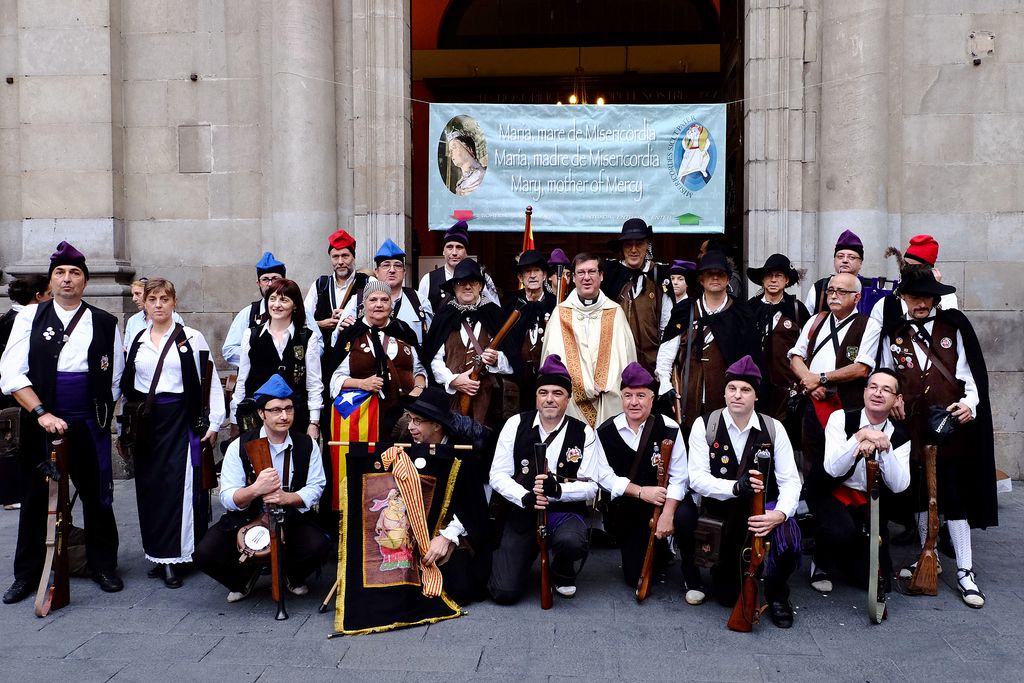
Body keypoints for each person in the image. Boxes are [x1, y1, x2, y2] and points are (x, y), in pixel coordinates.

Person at [0, 242, 125, 603]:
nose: (67, 279)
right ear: (51, 280)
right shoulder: (29, 318)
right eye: (60, 273)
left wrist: (99, 415)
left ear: (85, 281)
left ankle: (103, 565)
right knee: (37, 497)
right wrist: (42, 413)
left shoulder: (104, 322)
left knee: (97, 495)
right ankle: (27, 574)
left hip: (89, 422)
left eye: (75, 273)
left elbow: (114, 375)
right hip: (42, 420)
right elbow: (10, 374)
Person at [879, 268, 996, 608]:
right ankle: (925, 554)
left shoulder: (953, 327)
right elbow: (887, 373)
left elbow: (970, 374)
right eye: (913, 297)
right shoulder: (895, 334)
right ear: (904, 299)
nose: (919, 303)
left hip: (948, 425)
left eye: (925, 297)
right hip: (913, 426)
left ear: (934, 299)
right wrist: (894, 398)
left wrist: (969, 403)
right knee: (919, 494)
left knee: (954, 496)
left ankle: (964, 570)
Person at [674, 356, 802, 627]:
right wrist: (734, 487)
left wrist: (779, 514)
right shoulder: (705, 425)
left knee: (790, 537)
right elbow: (696, 479)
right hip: (720, 512)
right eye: (732, 388)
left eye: (745, 390)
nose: (737, 395)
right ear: (724, 391)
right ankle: (722, 573)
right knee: (726, 595)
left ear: (756, 395)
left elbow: (791, 481)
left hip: (760, 513)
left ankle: (778, 595)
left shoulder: (773, 428)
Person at [121, 278, 224, 588]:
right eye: (153, 299)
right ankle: (156, 553)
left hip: (180, 420)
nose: (158, 304)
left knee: (178, 489)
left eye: (164, 298)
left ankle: (176, 556)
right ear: (145, 304)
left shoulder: (191, 338)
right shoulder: (138, 340)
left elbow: (210, 381)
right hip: (147, 425)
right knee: (150, 489)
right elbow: (128, 388)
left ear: (174, 302)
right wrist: (124, 429)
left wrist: (215, 422)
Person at [193, 375, 329, 603]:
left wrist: (288, 497)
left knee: (320, 546)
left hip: (291, 515)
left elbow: (316, 486)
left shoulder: (306, 444)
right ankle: (243, 579)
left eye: (288, 409)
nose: (284, 416)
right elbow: (227, 496)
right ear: (261, 413)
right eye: (275, 410)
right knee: (204, 554)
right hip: (246, 516)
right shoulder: (240, 446)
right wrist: (255, 489)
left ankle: (291, 576)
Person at [488, 355, 599, 603]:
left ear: (567, 399)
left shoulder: (584, 432)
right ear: (536, 396)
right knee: (504, 593)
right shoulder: (515, 424)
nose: (549, 399)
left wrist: (557, 490)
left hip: (563, 511)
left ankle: (562, 568)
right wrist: (524, 496)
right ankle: (519, 557)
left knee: (572, 541)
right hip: (523, 508)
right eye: (543, 392)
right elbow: (497, 475)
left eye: (557, 393)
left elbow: (592, 487)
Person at [589, 362, 688, 587]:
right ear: (621, 398)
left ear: (652, 399)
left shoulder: (670, 428)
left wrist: (668, 514)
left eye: (641, 395)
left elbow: (680, 477)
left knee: (682, 519)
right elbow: (604, 476)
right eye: (628, 395)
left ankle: (669, 546)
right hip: (628, 509)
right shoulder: (605, 432)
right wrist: (641, 492)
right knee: (635, 578)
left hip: (661, 506)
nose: (634, 402)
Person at [815, 368, 910, 593]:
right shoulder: (840, 418)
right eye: (874, 387)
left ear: (897, 400)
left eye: (886, 390)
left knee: (879, 582)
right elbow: (833, 469)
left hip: (871, 502)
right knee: (841, 530)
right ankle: (820, 563)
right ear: (865, 391)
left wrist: (883, 445)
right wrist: (859, 437)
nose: (878, 393)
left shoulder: (900, 435)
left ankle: (849, 558)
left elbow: (899, 485)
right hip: (832, 491)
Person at [403, 387, 492, 604]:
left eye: (417, 421)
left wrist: (447, 537)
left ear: (436, 424)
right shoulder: (405, 444)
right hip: (411, 526)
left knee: (461, 590)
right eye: (410, 419)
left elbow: (474, 506)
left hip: (452, 528)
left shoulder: (463, 454)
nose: (410, 427)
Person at [656, 248, 752, 430]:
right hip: (688, 397)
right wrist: (665, 384)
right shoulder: (685, 310)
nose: (715, 278)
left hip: (727, 399)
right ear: (701, 279)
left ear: (727, 279)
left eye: (720, 274)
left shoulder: (741, 313)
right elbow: (667, 352)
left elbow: (750, 359)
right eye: (710, 274)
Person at [540, 252, 637, 428]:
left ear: (601, 276)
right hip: (571, 405)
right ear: (573, 277)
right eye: (581, 273)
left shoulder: (615, 313)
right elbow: (551, 363)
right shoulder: (560, 314)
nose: (586, 278)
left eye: (592, 272)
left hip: (607, 403)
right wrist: (584, 384)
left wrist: (606, 385)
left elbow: (627, 362)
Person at [422, 259, 514, 428]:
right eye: (461, 282)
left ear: (480, 286)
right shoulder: (443, 317)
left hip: (490, 404)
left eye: (473, 282)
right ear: (454, 287)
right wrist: (453, 380)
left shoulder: (496, 316)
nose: (467, 286)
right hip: (451, 401)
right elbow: (433, 360)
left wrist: (496, 359)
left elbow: (513, 361)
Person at [330, 279, 427, 435]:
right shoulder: (351, 334)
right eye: (373, 299)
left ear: (391, 304)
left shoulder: (403, 330)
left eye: (384, 299)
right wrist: (362, 383)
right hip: (365, 418)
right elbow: (335, 378)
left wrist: (418, 387)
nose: (379, 304)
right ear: (364, 304)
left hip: (405, 418)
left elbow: (419, 368)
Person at [229, 278, 323, 438]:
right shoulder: (251, 335)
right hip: (258, 417)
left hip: (295, 417)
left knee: (293, 461)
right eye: (272, 299)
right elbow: (242, 381)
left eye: (284, 300)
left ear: (294, 305)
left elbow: (314, 384)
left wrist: (314, 422)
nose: (277, 304)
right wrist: (234, 418)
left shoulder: (307, 338)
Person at [745, 254, 811, 426]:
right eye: (769, 275)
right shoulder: (749, 308)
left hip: (787, 388)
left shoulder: (797, 309)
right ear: (762, 280)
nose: (773, 280)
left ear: (786, 280)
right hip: (755, 384)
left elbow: (809, 347)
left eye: (779, 276)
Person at [601, 218, 671, 373]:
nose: (633, 249)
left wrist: (663, 367)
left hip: (652, 365)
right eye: (628, 244)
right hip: (617, 363)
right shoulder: (609, 276)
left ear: (647, 245)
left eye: (639, 244)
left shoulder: (660, 276)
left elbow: (667, 324)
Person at [503, 250, 557, 412]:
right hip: (516, 381)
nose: (532, 275)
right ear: (521, 278)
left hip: (548, 380)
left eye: (537, 271)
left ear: (544, 275)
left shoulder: (558, 304)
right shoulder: (508, 305)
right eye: (527, 271)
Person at [417, 221, 498, 317]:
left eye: (459, 247)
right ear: (443, 251)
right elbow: (421, 316)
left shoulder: (482, 278)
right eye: (449, 247)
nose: (454, 252)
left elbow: (495, 312)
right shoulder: (428, 279)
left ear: (466, 252)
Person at [222, 252, 287, 367]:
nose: (270, 284)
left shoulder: (301, 311)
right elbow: (229, 350)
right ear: (258, 283)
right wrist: (257, 356)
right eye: (265, 279)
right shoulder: (247, 314)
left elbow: (317, 345)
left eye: (275, 278)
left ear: (284, 281)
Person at [365, 239, 430, 344]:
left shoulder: (419, 301)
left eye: (397, 265)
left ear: (404, 272)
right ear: (376, 272)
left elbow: (432, 340)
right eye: (386, 265)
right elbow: (338, 338)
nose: (392, 270)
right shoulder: (360, 300)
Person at [123, 278, 184, 352]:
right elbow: (126, 348)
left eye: (138, 294)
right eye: (133, 295)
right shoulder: (133, 320)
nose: (134, 299)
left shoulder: (174, 318)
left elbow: (182, 345)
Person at [0, 275, 50, 364]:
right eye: (49, 294)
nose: (52, 298)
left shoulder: (12, 315)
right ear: (39, 296)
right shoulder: (22, 319)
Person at [659, 259, 694, 336]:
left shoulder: (692, 305)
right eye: (672, 278)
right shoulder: (663, 299)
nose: (675, 282)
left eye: (680, 279)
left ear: (687, 283)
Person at [447, 131, 486, 196]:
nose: (450, 154)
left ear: (469, 148)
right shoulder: (459, 186)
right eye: (449, 151)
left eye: (454, 147)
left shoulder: (483, 175)